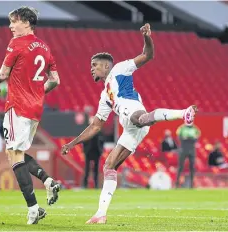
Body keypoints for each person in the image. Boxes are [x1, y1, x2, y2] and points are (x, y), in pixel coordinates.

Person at [61, 23, 198, 224]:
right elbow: (96, 126)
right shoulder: (104, 97)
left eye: (95, 65)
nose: (92, 69)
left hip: (132, 108)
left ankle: (184, 113)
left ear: (106, 66)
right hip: (131, 129)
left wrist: (147, 37)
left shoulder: (118, 69)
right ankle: (101, 213)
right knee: (109, 166)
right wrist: (73, 143)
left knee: (140, 118)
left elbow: (147, 55)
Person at [0, 6, 61, 224]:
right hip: (35, 109)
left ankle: (33, 208)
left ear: (27, 22)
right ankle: (48, 182)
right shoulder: (45, 48)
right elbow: (55, 80)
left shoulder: (17, 43)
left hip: (17, 107)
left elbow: (3, 73)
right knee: (14, 154)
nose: (11, 26)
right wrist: (37, 92)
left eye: (14, 21)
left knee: (15, 156)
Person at [175, 122, 201, 188]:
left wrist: (187, 138)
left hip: (191, 149)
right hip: (184, 148)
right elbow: (179, 136)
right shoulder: (182, 128)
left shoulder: (195, 128)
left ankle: (192, 184)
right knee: (180, 166)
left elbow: (198, 135)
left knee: (192, 167)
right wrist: (190, 138)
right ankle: (177, 183)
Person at [82, 116, 103, 189]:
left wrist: (101, 150)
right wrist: (85, 151)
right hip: (88, 152)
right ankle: (84, 185)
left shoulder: (98, 130)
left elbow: (101, 141)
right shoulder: (86, 131)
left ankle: (96, 185)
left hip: (96, 152)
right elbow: (83, 141)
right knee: (87, 169)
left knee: (96, 170)